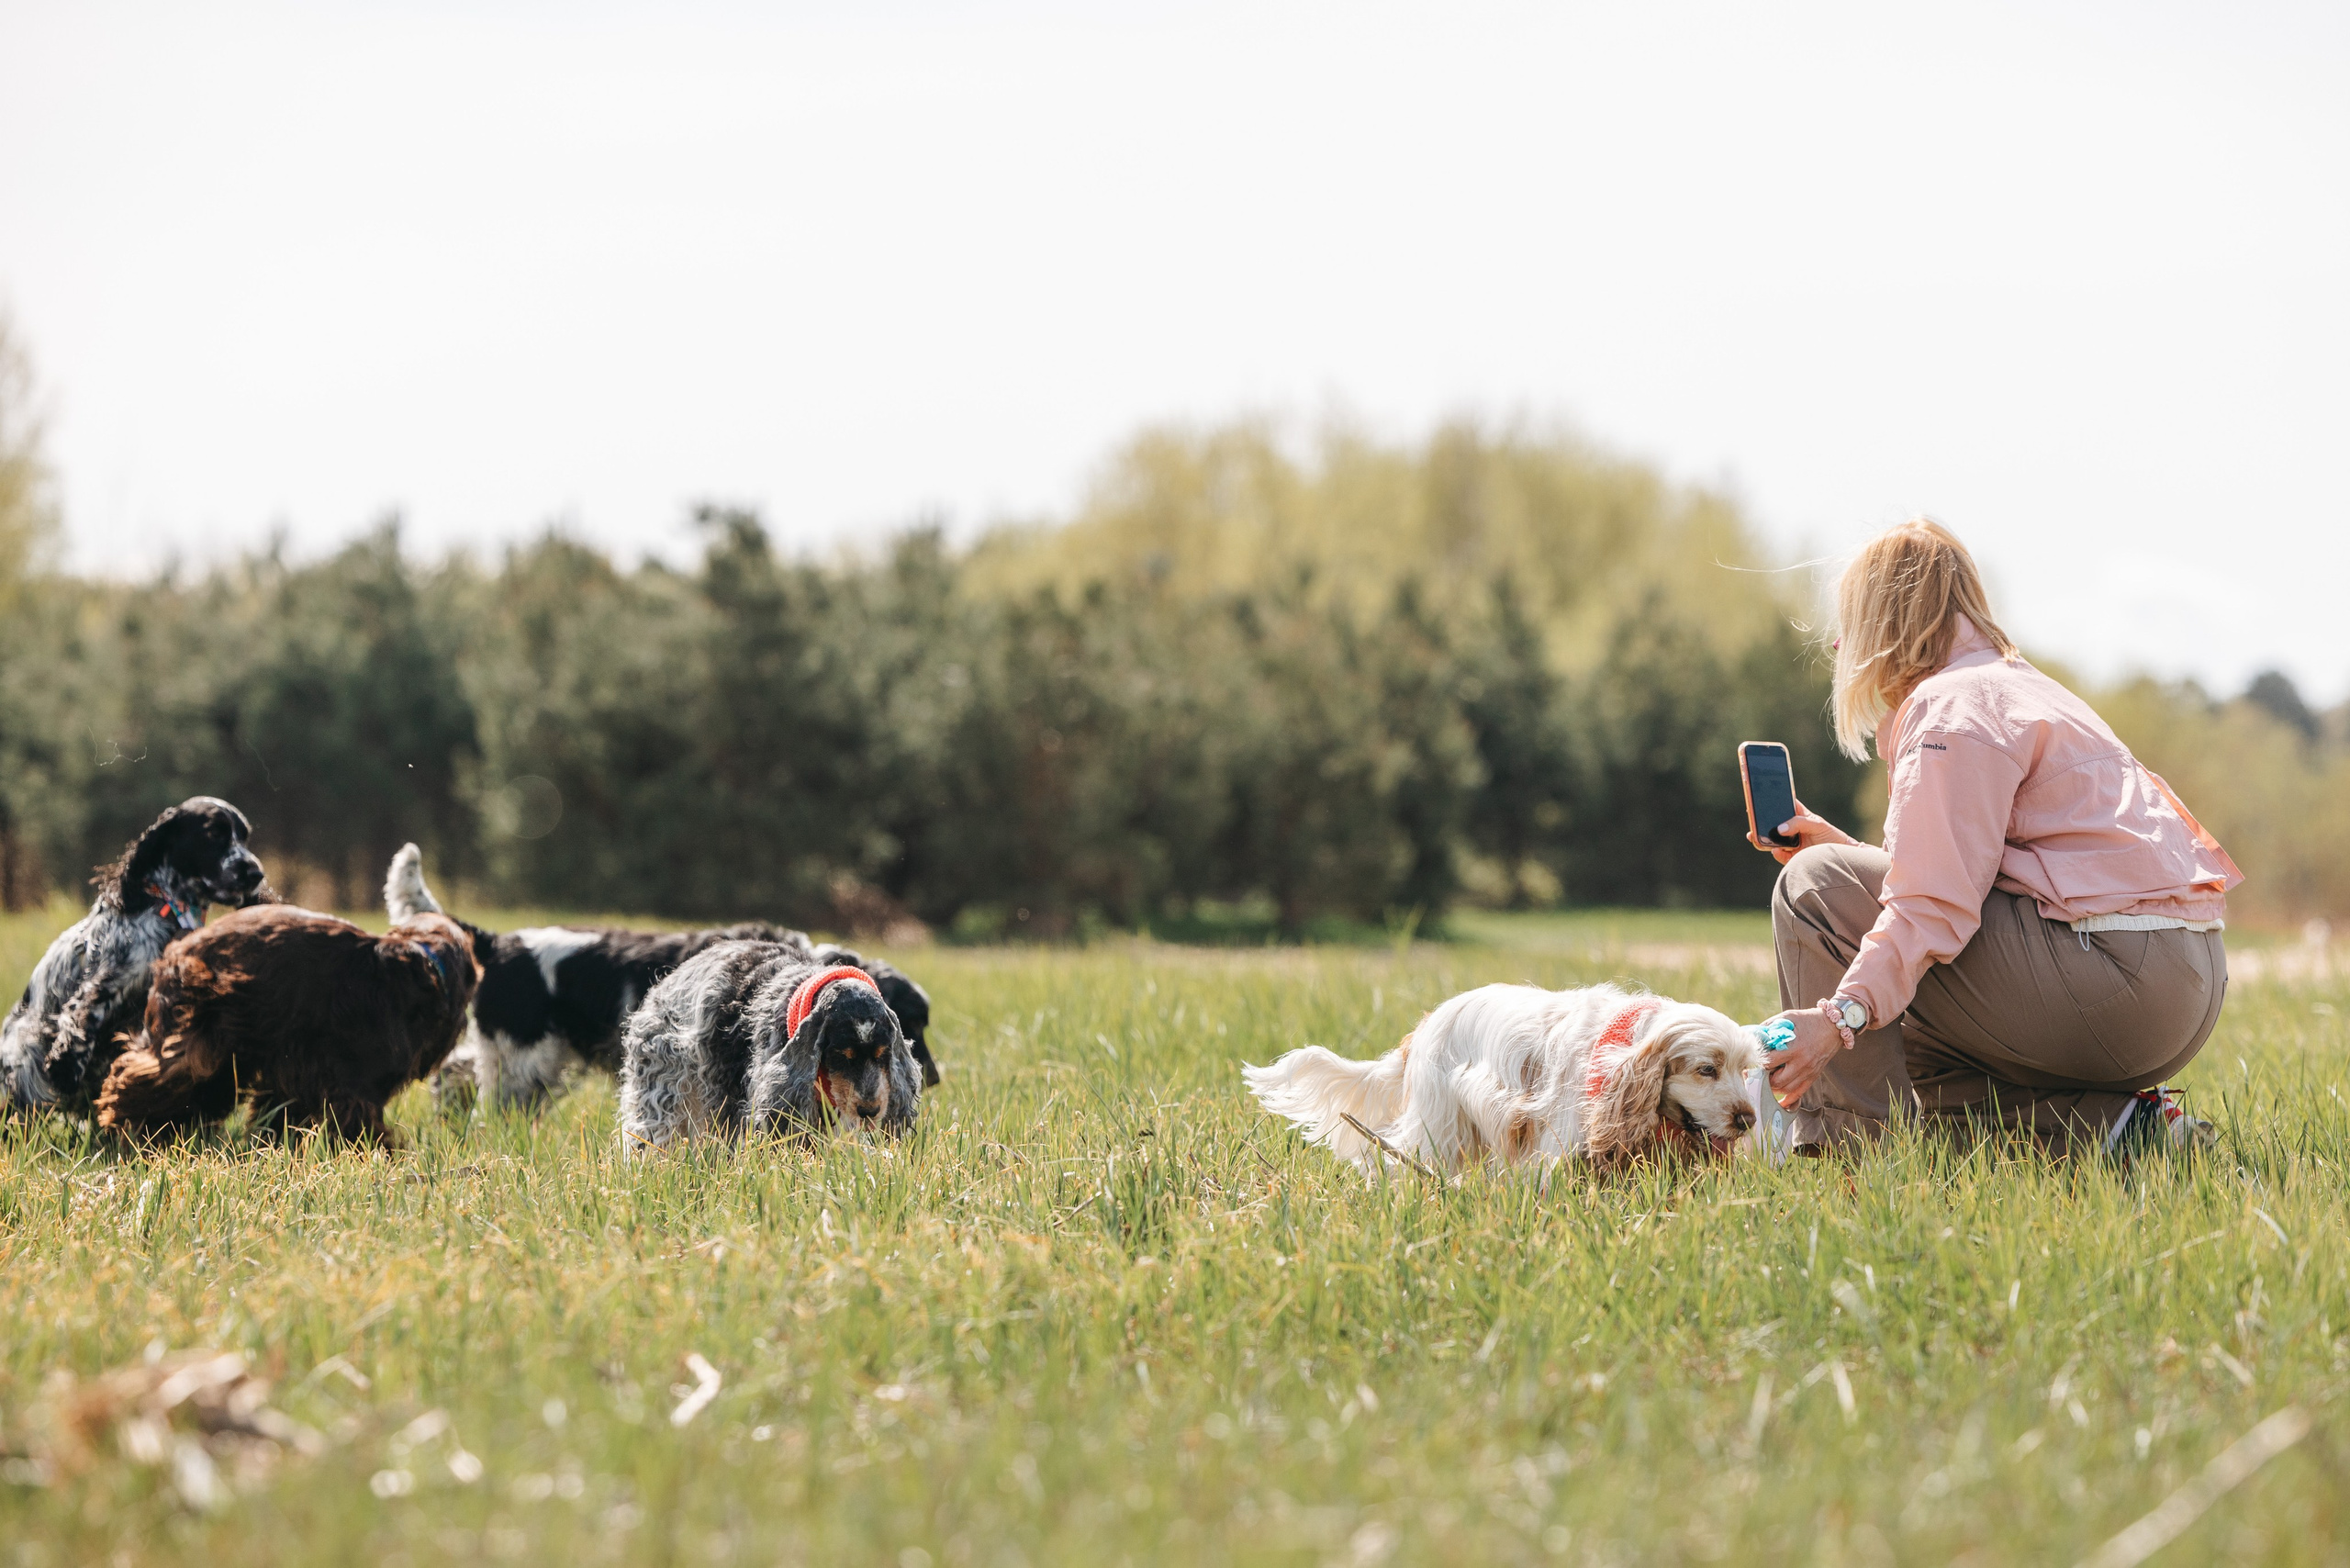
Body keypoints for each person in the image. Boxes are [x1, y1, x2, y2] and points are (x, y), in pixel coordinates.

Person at [1756, 520, 2239, 1158]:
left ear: (1883, 626)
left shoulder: (1951, 708)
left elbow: (1932, 905)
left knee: (1812, 888)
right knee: (1891, 1054)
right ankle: (2124, 1134)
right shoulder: (2017, 687)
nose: (1844, 647)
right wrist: (1845, 850)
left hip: (2118, 980)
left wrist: (1838, 1020)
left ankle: (1847, 1158)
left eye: (1849, 629)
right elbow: (1969, 876)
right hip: (2181, 984)